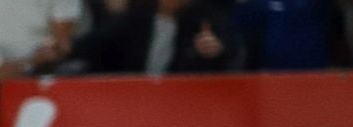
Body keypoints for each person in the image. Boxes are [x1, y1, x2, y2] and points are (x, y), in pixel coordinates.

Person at [69, 0, 237, 71]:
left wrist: (217, 49)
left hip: (180, 102)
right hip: (132, 98)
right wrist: (65, 48)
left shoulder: (203, 19)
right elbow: (96, 43)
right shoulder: (137, 17)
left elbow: (231, 46)